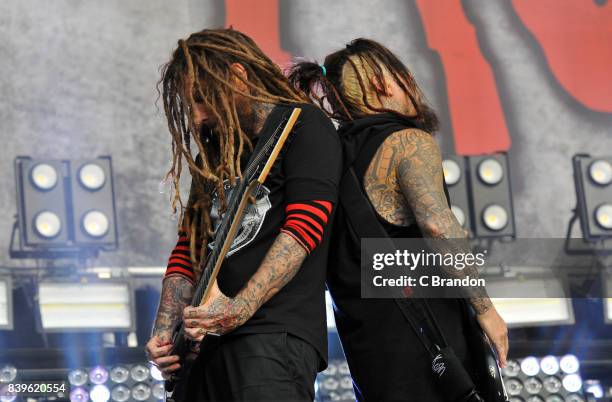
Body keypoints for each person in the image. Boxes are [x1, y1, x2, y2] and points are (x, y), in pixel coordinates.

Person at [290, 38, 508, 401]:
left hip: (372, 362)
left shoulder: (329, 163)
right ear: (384, 83)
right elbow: (438, 225)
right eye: (406, 76)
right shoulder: (408, 141)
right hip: (432, 353)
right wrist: (486, 310)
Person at [145, 28, 342, 401]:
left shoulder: (302, 125)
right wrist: (165, 332)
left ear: (238, 76)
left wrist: (240, 307)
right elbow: (188, 249)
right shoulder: (214, 152)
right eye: (191, 106)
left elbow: (304, 228)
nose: (199, 117)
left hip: (271, 337)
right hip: (203, 350)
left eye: (204, 100)